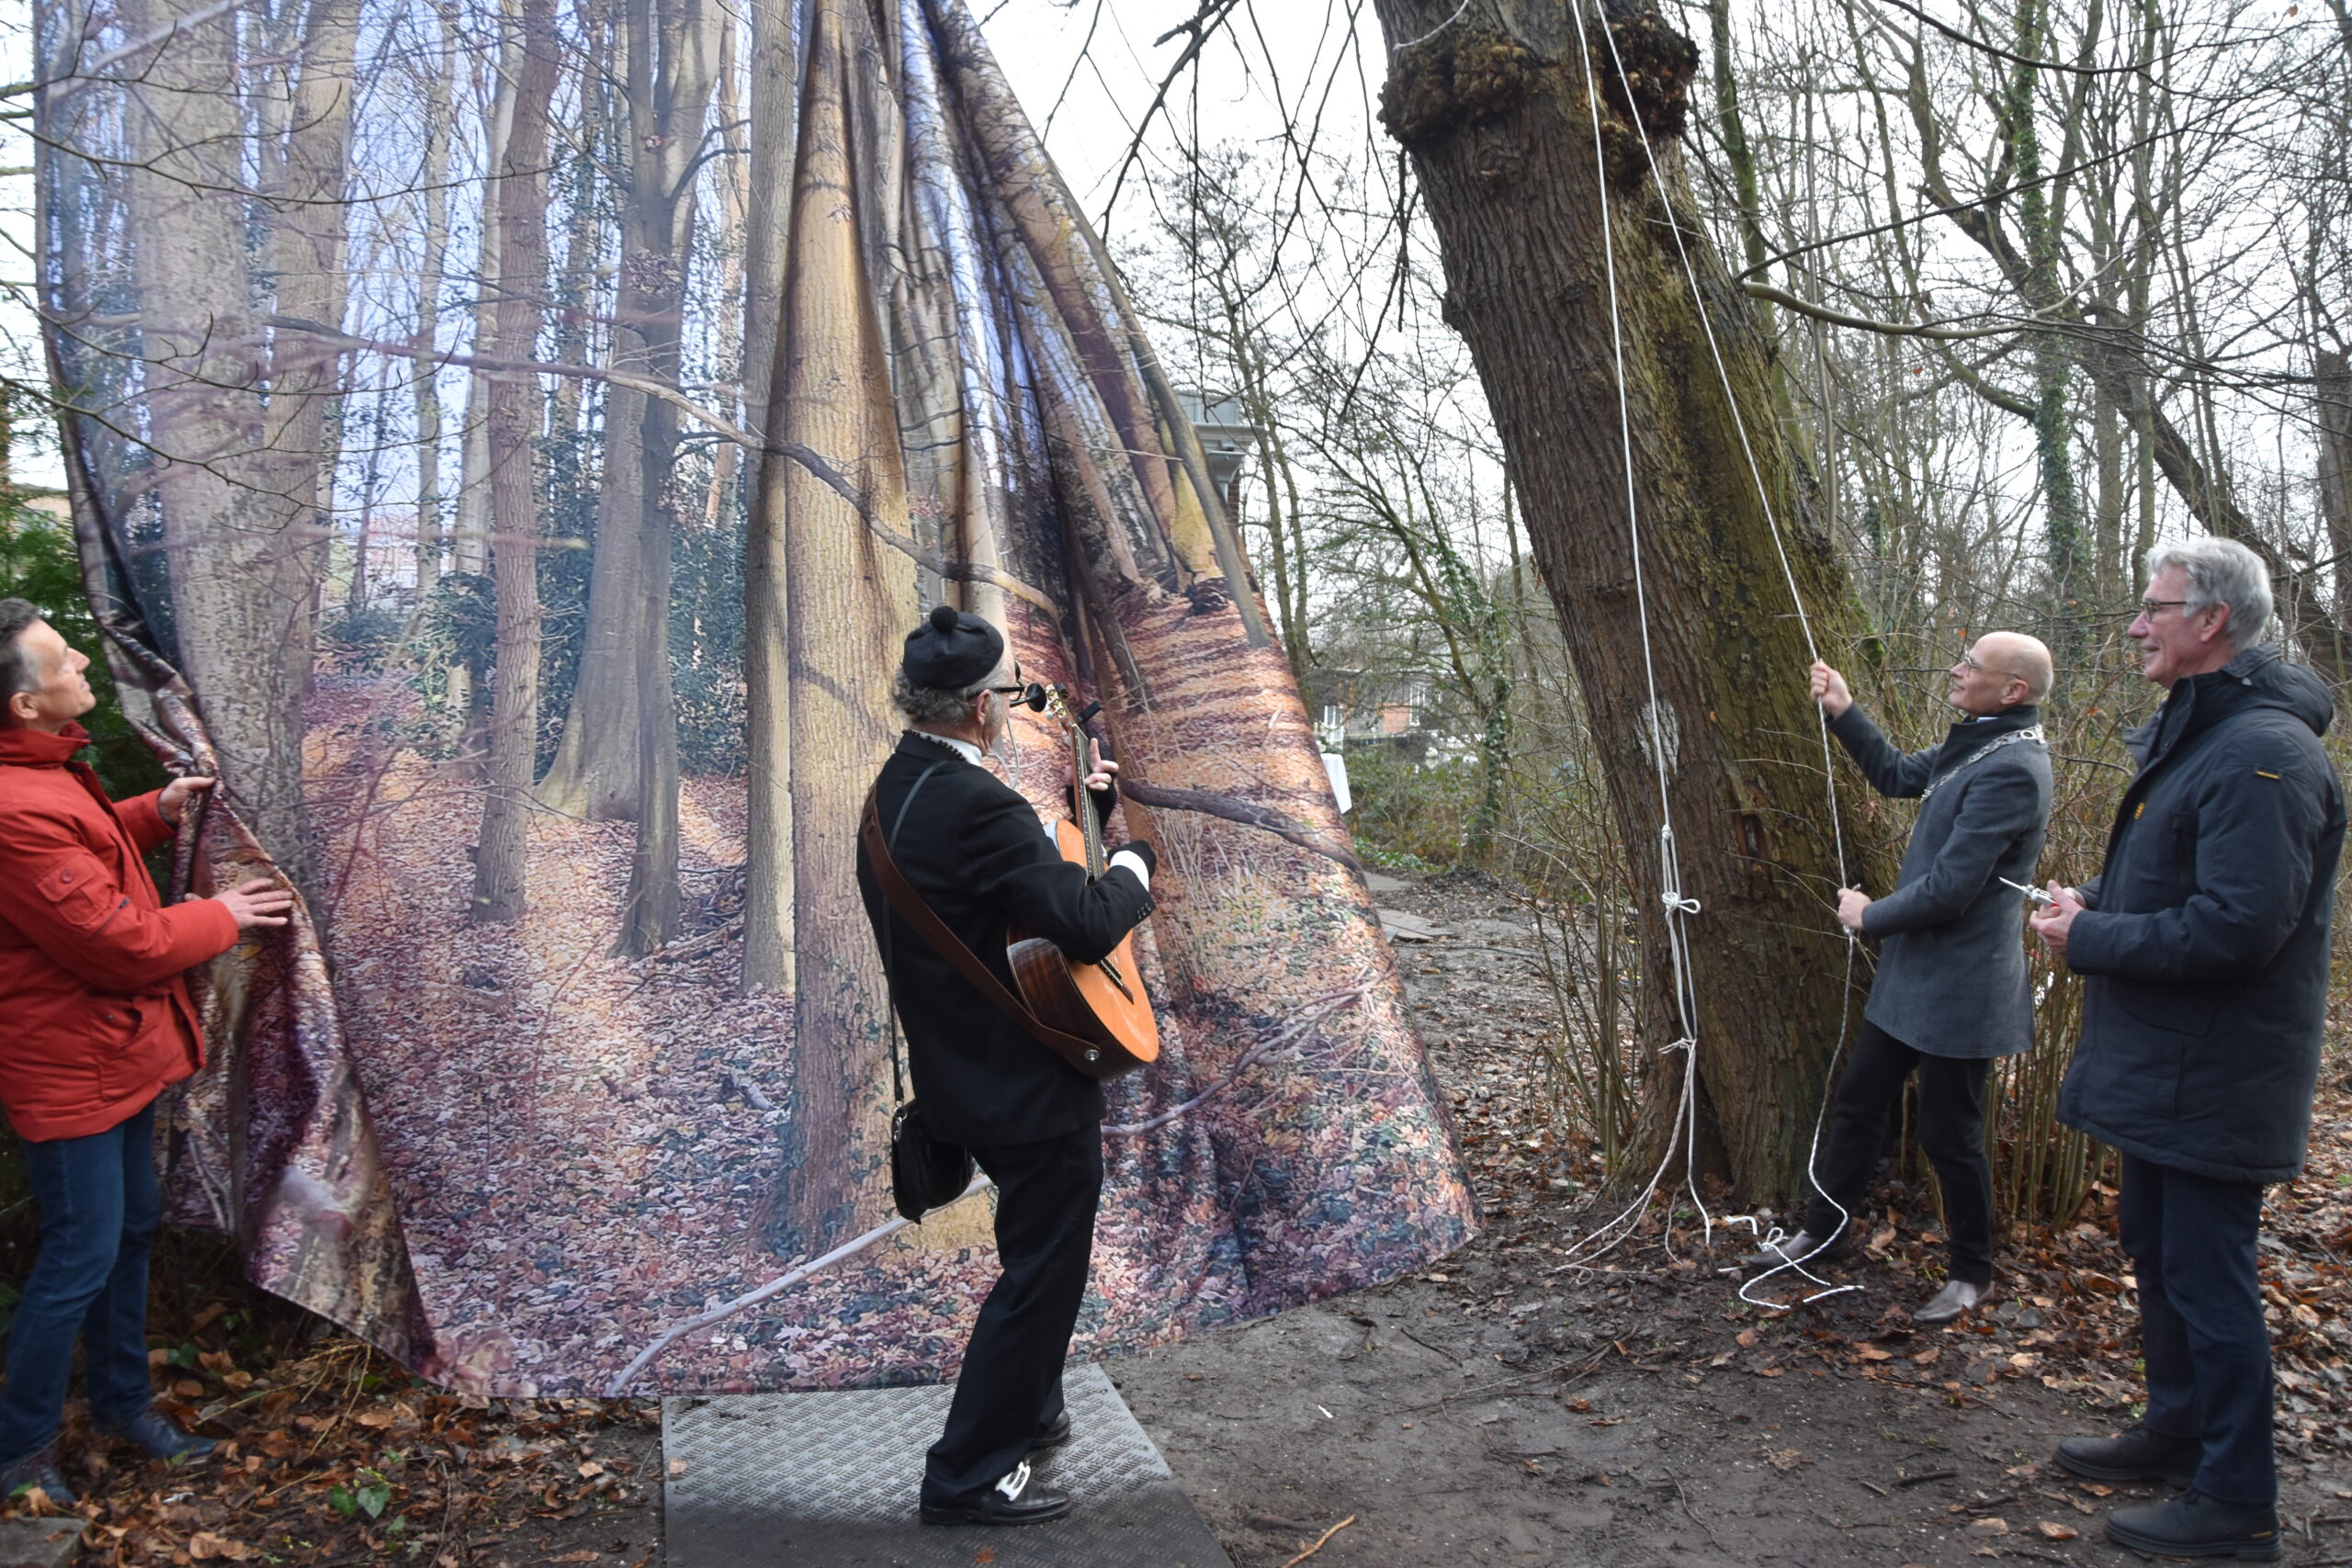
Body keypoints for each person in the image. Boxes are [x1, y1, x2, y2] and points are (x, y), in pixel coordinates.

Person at [2030, 539, 2340, 1562]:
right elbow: (2181, 886)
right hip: (2165, 1065)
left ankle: (2237, 1500)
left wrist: (2092, 938)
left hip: (2219, 1073)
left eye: (2154, 608)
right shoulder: (2206, 738)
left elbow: (2239, 930)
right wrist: (2095, 903)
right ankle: (2177, 1431)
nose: (2136, 625)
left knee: (2209, 1277)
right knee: (2158, 1253)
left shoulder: (2265, 756)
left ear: (2211, 622)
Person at [855, 604, 1156, 1529]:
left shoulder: (897, 787)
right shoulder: (981, 805)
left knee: (1038, 1258)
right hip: (1024, 1086)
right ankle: (968, 1473)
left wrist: (1083, 814)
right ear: (982, 707)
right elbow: (1086, 922)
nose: (1012, 708)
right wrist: (1134, 863)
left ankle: (1031, 1407)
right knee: (1041, 1273)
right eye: (1007, 695)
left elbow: (1006, 900)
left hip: (961, 1076)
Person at [0, 599, 295, 1503]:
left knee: (127, 1234)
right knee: (78, 1257)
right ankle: (20, 1453)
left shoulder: (45, 772)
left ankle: (124, 1406)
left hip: (115, 1058)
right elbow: (116, 943)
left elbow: (88, 856)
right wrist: (227, 915)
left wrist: (154, 812)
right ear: (23, 704)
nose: (84, 662)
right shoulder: (11, 806)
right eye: (62, 659)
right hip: (71, 1074)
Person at [1746, 632, 2054, 1323]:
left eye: (1971, 664)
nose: (1957, 668)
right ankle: (1823, 1232)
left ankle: (1972, 1273)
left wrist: (1870, 915)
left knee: (1950, 1133)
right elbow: (1894, 774)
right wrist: (1844, 709)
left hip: (1964, 987)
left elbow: (1951, 889)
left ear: (2013, 690)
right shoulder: (1980, 740)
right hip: (1914, 974)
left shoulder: (2015, 768)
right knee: (1859, 1103)